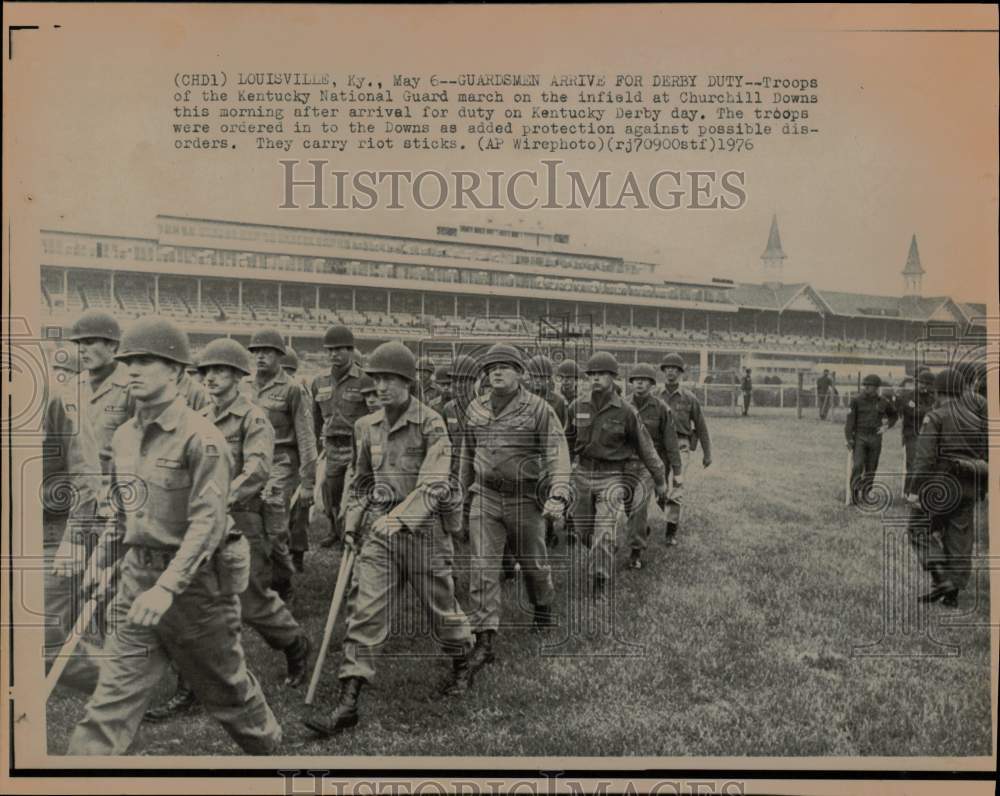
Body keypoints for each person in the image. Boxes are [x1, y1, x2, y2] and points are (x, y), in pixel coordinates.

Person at [66, 317, 281, 755]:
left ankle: (276, 763)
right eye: (129, 362)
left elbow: (208, 525)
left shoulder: (203, 440)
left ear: (178, 372)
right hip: (136, 582)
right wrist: (101, 559)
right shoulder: (125, 438)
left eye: (147, 361)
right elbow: (123, 511)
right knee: (109, 706)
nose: (134, 371)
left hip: (197, 592)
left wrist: (167, 588)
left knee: (230, 696)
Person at [303, 342, 477, 738]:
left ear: (408, 383)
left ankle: (462, 663)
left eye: (389, 380)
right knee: (365, 610)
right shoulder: (367, 426)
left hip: (423, 532)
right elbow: (360, 479)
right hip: (380, 530)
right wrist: (351, 521)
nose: (380, 387)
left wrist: (400, 519)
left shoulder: (431, 423)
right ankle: (349, 702)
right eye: (376, 379)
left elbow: (435, 483)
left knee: (442, 610)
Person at [145, 338, 312, 722]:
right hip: (201, 522)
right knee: (192, 601)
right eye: (207, 372)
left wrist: (222, 497)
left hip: (243, 520)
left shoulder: (254, 419)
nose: (212, 378)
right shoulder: (197, 416)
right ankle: (192, 688)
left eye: (221, 371)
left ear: (239, 376)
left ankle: (295, 644)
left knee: (251, 601)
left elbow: (257, 470)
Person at [458, 344, 571, 672]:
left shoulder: (538, 409)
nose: (497, 371)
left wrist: (559, 493)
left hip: (525, 499)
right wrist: (459, 495)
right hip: (486, 497)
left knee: (534, 565)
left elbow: (557, 453)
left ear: (521, 373)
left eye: (506, 366)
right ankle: (485, 638)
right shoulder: (475, 409)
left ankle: (543, 608)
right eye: (491, 367)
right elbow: (466, 455)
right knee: (482, 567)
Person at [44, 310, 132, 694]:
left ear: (113, 346)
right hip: (82, 503)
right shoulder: (72, 389)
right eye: (78, 343)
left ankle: (139, 676)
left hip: (120, 501)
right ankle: (85, 666)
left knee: (118, 592)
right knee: (81, 590)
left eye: (92, 342)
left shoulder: (130, 388)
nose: (84, 350)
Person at [565, 352, 668, 604]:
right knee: (583, 532)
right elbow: (565, 442)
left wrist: (660, 479)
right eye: (592, 375)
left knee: (603, 532)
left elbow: (646, 447)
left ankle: (599, 582)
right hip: (582, 475)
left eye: (601, 374)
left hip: (611, 476)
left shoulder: (626, 411)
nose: (596, 379)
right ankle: (605, 547)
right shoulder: (576, 406)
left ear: (612, 377)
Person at [906, 368, 988, 607]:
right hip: (970, 484)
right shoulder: (978, 418)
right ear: (962, 390)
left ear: (937, 391)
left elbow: (924, 458)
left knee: (918, 529)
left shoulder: (936, 416)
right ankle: (952, 596)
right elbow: (986, 454)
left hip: (942, 483)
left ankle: (941, 578)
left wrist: (915, 490)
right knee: (959, 539)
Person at [248, 329, 317, 599]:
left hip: (281, 463)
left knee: (276, 529)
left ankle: (282, 585)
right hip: (250, 464)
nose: (261, 356)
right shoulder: (245, 386)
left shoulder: (293, 389)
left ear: (279, 355)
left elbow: (306, 437)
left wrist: (308, 482)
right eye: (257, 351)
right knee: (248, 526)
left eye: (268, 351)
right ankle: (256, 584)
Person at [311, 325, 367, 550]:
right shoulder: (319, 381)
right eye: (330, 350)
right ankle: (335, 530)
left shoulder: (365, 380)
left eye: (339, 349)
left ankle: (353, 531)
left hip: (357, 446)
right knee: (331, 491)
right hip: (332, 446)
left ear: (351, 350)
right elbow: (315, 418)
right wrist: (316, 443)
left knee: (355, 491)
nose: (334, 354)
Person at [623, 363, 683, 569]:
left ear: (651, 383)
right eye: (636, 379)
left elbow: (671, 442)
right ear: (631, 383)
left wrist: (677, 471)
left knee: (639, 505)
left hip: (649, 464)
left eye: (644, 379)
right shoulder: (622, 405)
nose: (640, 382)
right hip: (625, 463)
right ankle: (639, 530)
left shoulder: (660, 408)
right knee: (629, 505)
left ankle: (635, 552)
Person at [658, 353, 712, 545]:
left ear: (681, 373)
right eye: (667, 368)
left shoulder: (689, 398)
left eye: (675, 369)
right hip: (659, 447)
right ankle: (664, 503)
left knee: (677, 486)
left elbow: (701, 426)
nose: (671, 372)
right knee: (659, 486)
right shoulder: (655, 396)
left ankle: (671, 532)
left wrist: (707, 453)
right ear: (663, 371)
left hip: (681, 444)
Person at [845, 374, 898, 506]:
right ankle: (854, 493)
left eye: (870, 386)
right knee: (857, 465)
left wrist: (886, 427)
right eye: (865, 385)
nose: (866, 388)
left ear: (876, 388)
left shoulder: (883, 401)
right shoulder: (856, 401)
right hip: (860, 436)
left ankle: (866, 492)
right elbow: (849, 422)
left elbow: (894, 415)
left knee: (871, 467)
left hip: (875, 437)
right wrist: (849, 439)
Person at [896, 369, 936, 495]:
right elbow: (911, 412)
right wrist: (929, 410)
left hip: (929, 435)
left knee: (929, 464)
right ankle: (909, 492)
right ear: (917, 382)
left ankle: (924, 492)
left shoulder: (934, 397)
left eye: (927, 383)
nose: (924, 386)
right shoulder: (909, 396)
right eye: (922, 382)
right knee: (913, 464)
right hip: (912, 434)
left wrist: (927, 411)